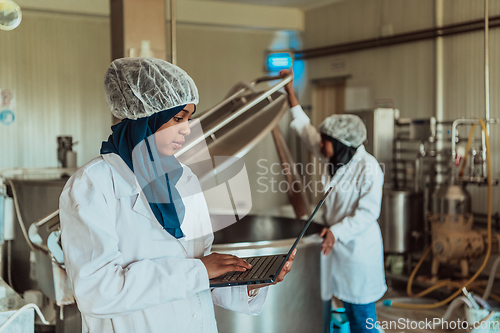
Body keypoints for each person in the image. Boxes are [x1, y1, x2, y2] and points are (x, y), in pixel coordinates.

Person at [59, 57, 296, 333]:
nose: (186, 128)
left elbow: (201, 270)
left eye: (189, 119)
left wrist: (252, 282)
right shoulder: (93, 185)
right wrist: (199, 271)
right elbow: (97, 291)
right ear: (147, 117)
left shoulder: (184, 179)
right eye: (178, 118)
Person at [280, 69, 386, 333]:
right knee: (331, 309)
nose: (321, 147)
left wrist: (336, 233)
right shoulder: (337, 156)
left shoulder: (368, 167)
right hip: (332, 247)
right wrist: (290, 92)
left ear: (341, 144)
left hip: (357, 250)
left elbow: (367, 213)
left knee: (362, 316)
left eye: (326, 143)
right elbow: (305, 131)